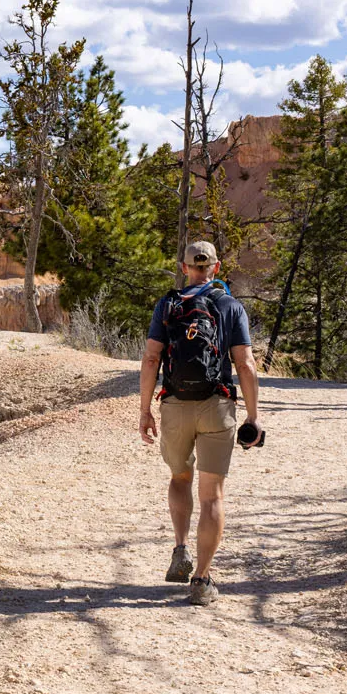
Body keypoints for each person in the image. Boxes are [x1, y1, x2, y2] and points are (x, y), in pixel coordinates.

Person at [138, 242, 262, 605]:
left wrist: (145, 409)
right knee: (213, 496)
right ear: (216, 267)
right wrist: (253, 416)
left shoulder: (168, 304)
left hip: (175, 404)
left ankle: (180, 549)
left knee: (180, 477)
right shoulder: (230, 306)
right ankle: (201, 580)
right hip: (217, 405)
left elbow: (150, 359)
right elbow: (246, 363)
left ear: (184, 267)